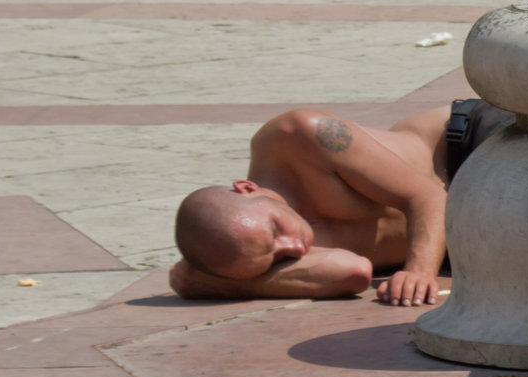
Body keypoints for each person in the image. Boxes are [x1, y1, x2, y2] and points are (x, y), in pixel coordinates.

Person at [170, 105, 467, 306]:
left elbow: (428, 197)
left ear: (247, 188)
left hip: (468, 146)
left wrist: (420, 271)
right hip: (470, 234)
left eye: (276, 230)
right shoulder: (257, 251)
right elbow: (354, 272)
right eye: (273, 261)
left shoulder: (295, 137)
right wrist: (229, 285)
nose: (295, 248)